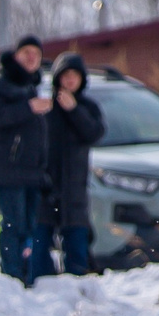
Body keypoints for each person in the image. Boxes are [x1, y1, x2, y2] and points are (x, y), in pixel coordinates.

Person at [0, 35, 53, 285]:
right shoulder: (2, 83)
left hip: (33, 171)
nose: (32, 58)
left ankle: (26, 274)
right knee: (13, 225)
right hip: (9, 169)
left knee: (29, 226)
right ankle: (12, 275)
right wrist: (29, 108)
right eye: (26, 53)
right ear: (16, 56)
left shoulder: (32, 84)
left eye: (36, 53)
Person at [42, 52, 105, 278]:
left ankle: (78, 282)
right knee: (41, 240)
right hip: (47, 186)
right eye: (65, 75)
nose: (69, 80)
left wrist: (74, 109)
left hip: (75, 187)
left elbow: (95, 133)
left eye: (74, 75)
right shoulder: (47, 107)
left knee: (77, 240)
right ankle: (41, 284)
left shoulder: (87, 107)